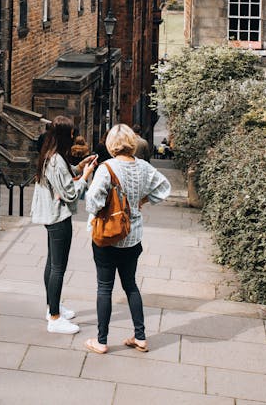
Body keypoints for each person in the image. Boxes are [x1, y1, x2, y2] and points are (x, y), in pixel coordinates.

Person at [84, 123, 170, 354]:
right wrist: (143, 201)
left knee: (104, 288)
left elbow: (92, 202)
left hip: (107, 237)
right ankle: (140, 337)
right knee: (131, 285)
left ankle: (101, 341)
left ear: (111, 145)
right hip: (133, 236)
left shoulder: (106, 168)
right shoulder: (143, 167)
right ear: (132, 143)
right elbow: (164, 187)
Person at [31, 115, 97, 334]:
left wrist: (79, 167)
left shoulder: (51, 154)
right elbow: (70, 193)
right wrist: (86, 176)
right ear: (63, 135)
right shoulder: (57, 161)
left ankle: (53, 306)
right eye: (71, 133)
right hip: (58, 218)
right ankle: (55, 318)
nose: (73, 136)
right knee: (58, 267)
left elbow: (63, 177)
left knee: (52, 263)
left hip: (51, 216)